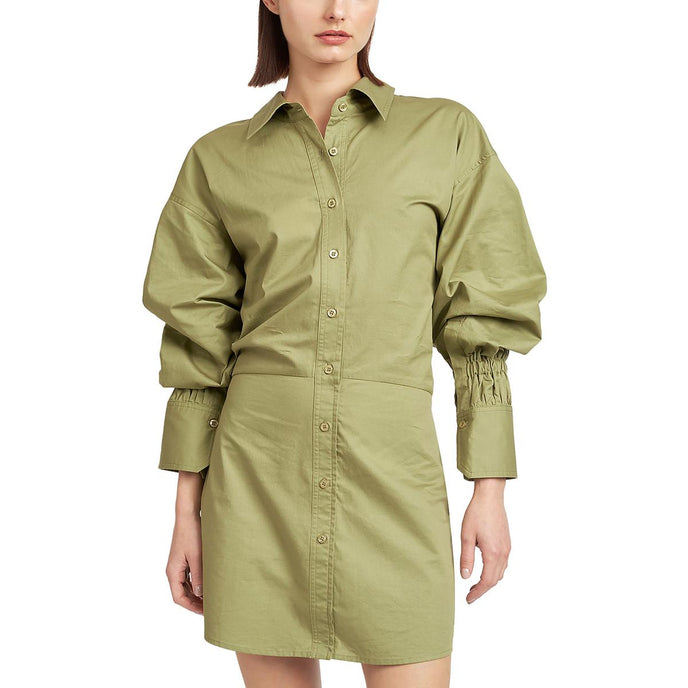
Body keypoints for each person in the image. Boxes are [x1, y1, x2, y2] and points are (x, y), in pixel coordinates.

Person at [141, 1, 547, 686]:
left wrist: (490, 487)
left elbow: (482, 325)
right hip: (256, 487)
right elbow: (199, 349)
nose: (337, 9)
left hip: (394, 481)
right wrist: (186, 512)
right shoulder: (218, 159)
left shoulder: (446, 134)